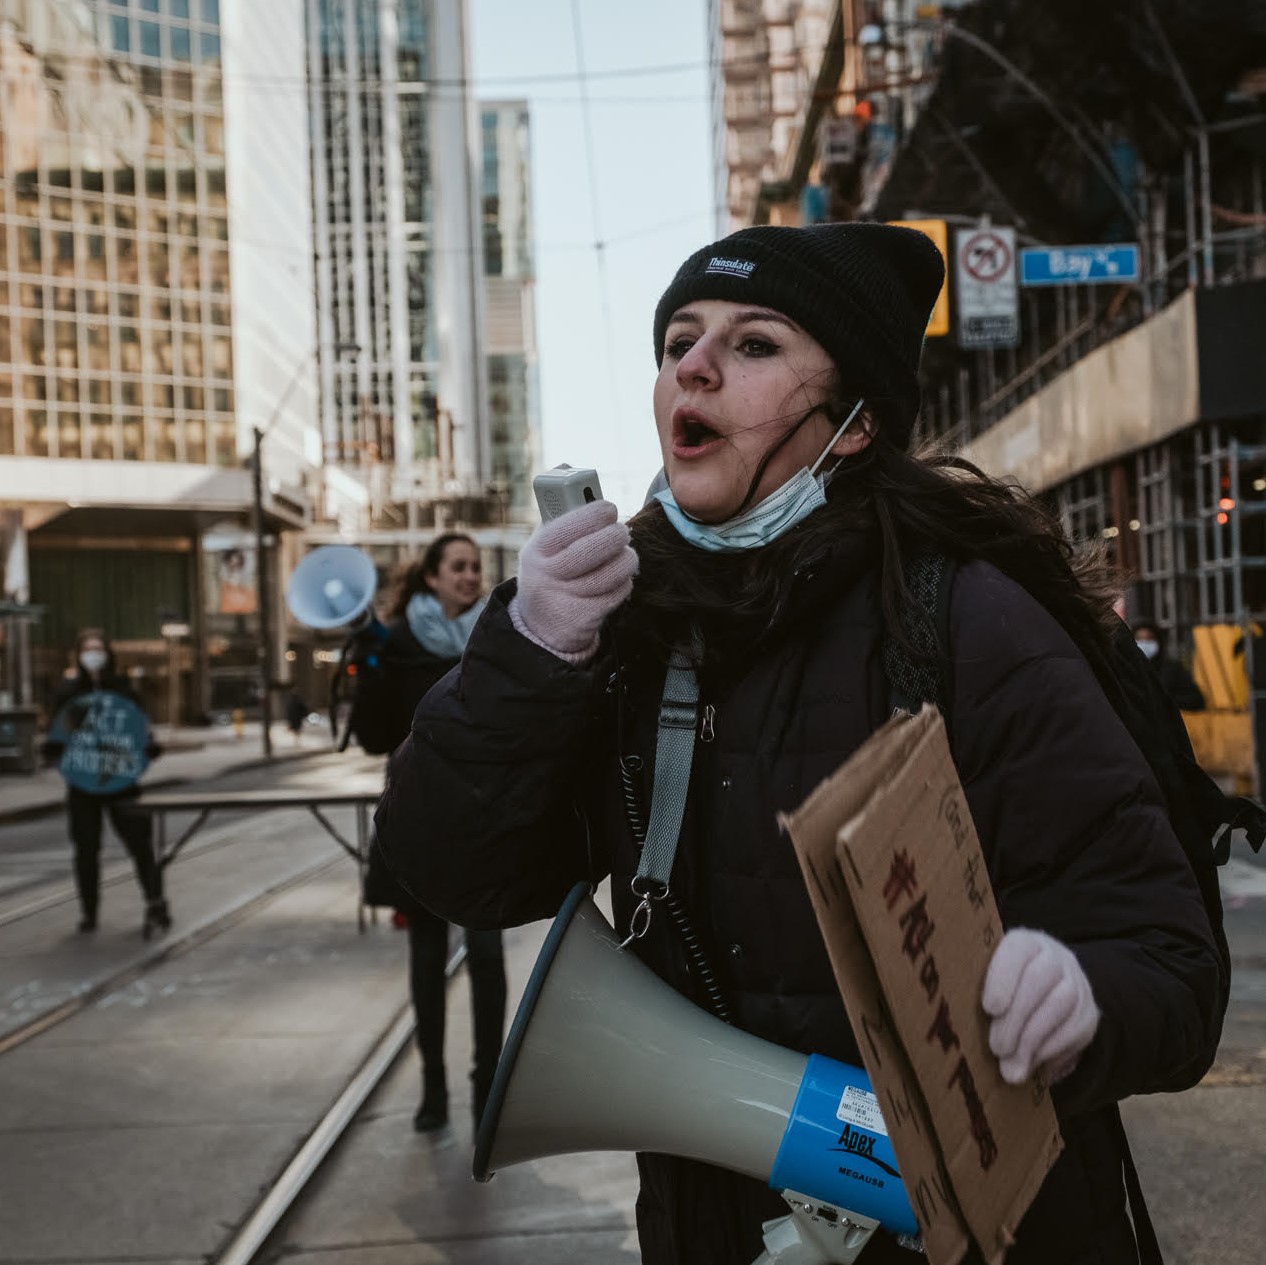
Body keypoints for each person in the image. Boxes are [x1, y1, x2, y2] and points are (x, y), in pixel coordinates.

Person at [375, 223, 1222, 1263]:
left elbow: (1172, 965)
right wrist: (530, 655)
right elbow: (447, 867)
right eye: (681, 338)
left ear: (855, 422)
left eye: (756, 344)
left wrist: (1084, 993)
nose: (693, 363)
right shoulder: (624, 630)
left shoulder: (970, 620)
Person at [362, 534, 507, 1134]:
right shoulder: (395, 643)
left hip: (484, 817)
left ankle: (486, 1090)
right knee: (426, 958)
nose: (471, 576)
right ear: (432, 577)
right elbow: (373, 735)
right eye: (459, 567)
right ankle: (433, 1089)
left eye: (476, 567)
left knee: (488, 955)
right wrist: (367, 666)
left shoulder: (498, 637)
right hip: (421, 816)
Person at [43, 631, 170, 937]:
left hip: (122, 782)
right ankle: (89, 912)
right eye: (88, 649)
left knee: (140, 845)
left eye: (98, 649)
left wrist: (148, 748)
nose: (93, 654)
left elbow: (140, 729)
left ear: (109, 653)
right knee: (86, 849)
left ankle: (155, 902)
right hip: (83, 784)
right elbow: (58, 732)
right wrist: (53, 750)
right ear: (79, 654)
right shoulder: (69, 693)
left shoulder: (123, 690)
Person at [1132, 620, 1206, 711]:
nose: (1145, 643)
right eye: (1140, 639)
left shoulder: (1172, 669)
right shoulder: (1128, 671)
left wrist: (1166, 701)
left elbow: (1196, 700)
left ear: (1158, 641)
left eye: (1149, 638)